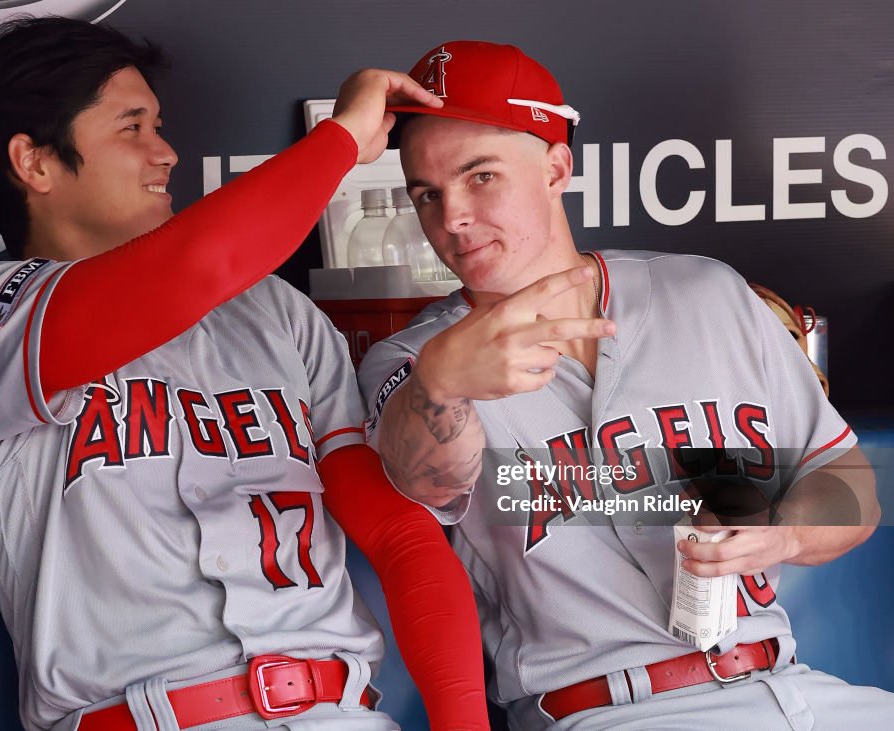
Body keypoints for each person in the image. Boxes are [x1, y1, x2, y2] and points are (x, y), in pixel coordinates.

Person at [0, 18, 490, 731]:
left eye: (159, 126)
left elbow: (398, 534)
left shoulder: (277, 312)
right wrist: (338, 143)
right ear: (34, 163)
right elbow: (196, 265)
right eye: (132, 128)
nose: (167, 152)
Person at [359, 40, 893, 729]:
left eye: (480, 176)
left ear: (556, 167)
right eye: (427, 194)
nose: (451, 217)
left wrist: (782, 533)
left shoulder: (707, 293)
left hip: (797, 688)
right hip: (606, 709)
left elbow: (849, 484)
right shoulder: (411, 362)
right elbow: (418, 474)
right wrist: (442, 385)